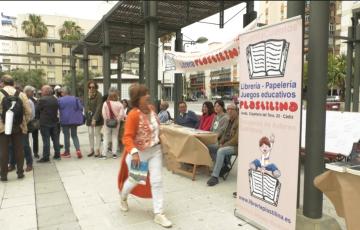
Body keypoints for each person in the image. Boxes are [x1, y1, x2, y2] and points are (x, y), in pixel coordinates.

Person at [118, 84, 172, 228]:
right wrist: (134, 153)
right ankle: (123, 197)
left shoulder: (152, 110)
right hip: (139, 154)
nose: (148, 95)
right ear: (137, 98)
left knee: (157, 181)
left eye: (147, 92)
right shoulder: (133, 115)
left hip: (155, 151)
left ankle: (159, 213)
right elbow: (127, 138)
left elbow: (158, 128)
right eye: (144, 94)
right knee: (135, 180)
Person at [0, 75, 31, 181]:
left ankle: (3, 175)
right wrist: (23, 122)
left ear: (2, 83)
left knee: (3, 151)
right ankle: (20, 173)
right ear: (13, 83)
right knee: (19, 149)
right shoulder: (21, 94)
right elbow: (28, 112)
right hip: (18, 126)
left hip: (2, 126)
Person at [207, 103, 238, 186]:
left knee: (221, 151)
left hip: (236, 147)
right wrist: (220, 142)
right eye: (228, 109)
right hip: (226, 144)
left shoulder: (239, 122)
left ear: (236, 111)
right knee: (209, 147)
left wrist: (223, 145)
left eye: (232, 109)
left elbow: (236, 140)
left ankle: (215, 177)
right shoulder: (229, 120)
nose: (229, 111)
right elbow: (224, 135)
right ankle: (224, 166)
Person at [36, 85, 61, 162]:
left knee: (46, 140)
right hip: (54, 122)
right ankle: (57, 154)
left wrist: (38, 119)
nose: (41, 91)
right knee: (55, 139)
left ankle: (46, 157)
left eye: (42, 90)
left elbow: (37, 111)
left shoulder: (42, 100)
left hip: (45, 123)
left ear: (46, 91)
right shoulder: (55, 99)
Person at [58, 86, 84, 159]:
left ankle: (67, 152)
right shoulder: (75, 99)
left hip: (65, 120)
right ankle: (78, 150)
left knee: (66, 136)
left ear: (63, 92)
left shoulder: (60, 100)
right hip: (74, 120)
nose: (61, 94)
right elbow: (81, 108)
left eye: (61, 92)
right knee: (74, 135)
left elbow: (57, 109)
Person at [101, 87, 124, 159]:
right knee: (115, 137)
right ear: (116, 95)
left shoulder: (105, 103)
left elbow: (103, 114)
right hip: (116, 123)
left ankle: (104, 154)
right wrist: (117, 120)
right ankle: (114, 154)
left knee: (106, 138)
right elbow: (122, 114)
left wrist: (107, 120)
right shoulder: (120, 104)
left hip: (107, 123)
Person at [85, 81, 103, 157]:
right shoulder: (87, 95)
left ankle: (97, 150)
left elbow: (99, 107)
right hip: (89, 117)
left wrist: (94, 118)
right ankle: (91, 149)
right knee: (90, 134)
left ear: (96, 87)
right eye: (90, 87)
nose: (91, 88)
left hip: (97, 117)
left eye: (93, 87)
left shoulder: (99, 95)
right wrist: (88, 113)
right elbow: (86, 105)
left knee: (97, 134)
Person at [27, 86, 39, 158]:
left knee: (35, 138)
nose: (33, 93)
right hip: (28, 121)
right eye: (32, 92)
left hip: (34, 121)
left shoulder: (36, 100)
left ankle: (35, 152)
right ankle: (27, 152)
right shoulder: (25, 100)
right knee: (26, 138)